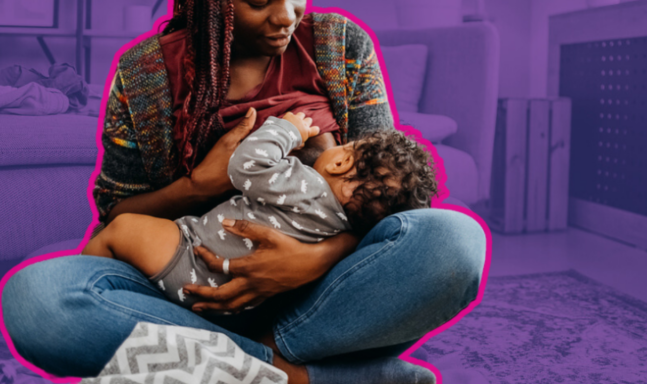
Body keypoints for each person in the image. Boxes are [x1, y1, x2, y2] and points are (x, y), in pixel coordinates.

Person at [0, 0, 485, 384]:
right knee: (37, 299)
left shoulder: (340, 46)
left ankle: (231, 358)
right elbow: (117, 216)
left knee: (454, 241)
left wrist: (310, 261)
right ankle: (288, 370)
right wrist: (199, 186)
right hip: (181, 289)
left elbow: (389, 201)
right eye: (260, 0)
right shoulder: (147, 73)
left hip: (315, 294)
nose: (286, 16)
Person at [83, 109, 438, 314]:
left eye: (345, 145)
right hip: (234, 301)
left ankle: (80, 280)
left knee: (120, 230)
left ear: (342, 160)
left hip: (192, 259)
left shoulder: (306, 186)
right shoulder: (336, 225)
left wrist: (289, 130)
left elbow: (247, 165)